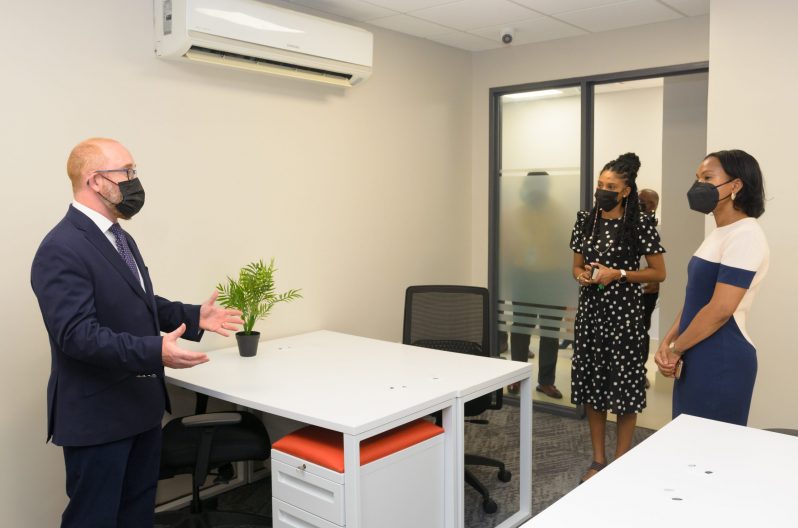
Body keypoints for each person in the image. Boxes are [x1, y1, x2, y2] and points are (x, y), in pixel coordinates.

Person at [30, 138, 245, 528]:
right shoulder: (61, 247)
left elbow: (138, 302)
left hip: (139, 409)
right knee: (93, 519)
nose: (133, 181)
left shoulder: (118, 237)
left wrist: (195, 315)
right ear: (95, 181)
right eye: (126, 172)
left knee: (136, 514)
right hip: (98, 417)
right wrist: (154, 350)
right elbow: (77, 335)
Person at [569, 153, 666, 483]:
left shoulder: (640, 223)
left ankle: (623, 458)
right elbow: (576, 267)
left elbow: (658, 272)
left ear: (626, 191)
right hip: (591, 314)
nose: (603, 191)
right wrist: (584, 276)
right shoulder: (586, 219)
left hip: (624, 315)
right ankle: (598, 459)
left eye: (610, 186)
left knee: (624, 388)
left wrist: (619, 273)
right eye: (600, 184)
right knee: (593, 386)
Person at [655, 149, 768, 426]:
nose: (698, 186)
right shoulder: (719, 233)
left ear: (736, 185)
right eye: (697, 178)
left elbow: (720, 309)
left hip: (721, 359)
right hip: (696, 351)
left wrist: (677, 348)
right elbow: (696, 299)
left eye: (707, 177)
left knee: (712, 456)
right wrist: (669, 342)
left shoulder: (747, 235)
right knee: (687, 446)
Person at [501, 173, 568, 399]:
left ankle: (546, 382)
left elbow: (567, 246)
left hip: (552, 277)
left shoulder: (559, 212)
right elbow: (507, 247)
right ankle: (517, 378)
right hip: (524, 278)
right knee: (520, 329)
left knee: (550, 331)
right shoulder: (515, 214)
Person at [638, 188, 660, 388]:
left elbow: (659, 267)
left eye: (643, 201)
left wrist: (653, 280)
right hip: (627, 285)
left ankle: (640, 371)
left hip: (646, 290)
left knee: (641, 331)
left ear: (653, 205)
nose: (639, 202)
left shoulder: (655, 228)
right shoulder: (629, 223)